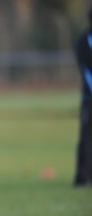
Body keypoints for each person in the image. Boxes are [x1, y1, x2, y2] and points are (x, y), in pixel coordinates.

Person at [74, 8, 92, 187]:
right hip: (89, 98)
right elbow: (85, 71)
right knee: (87, 137)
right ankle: (82, 177)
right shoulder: (84, 41)